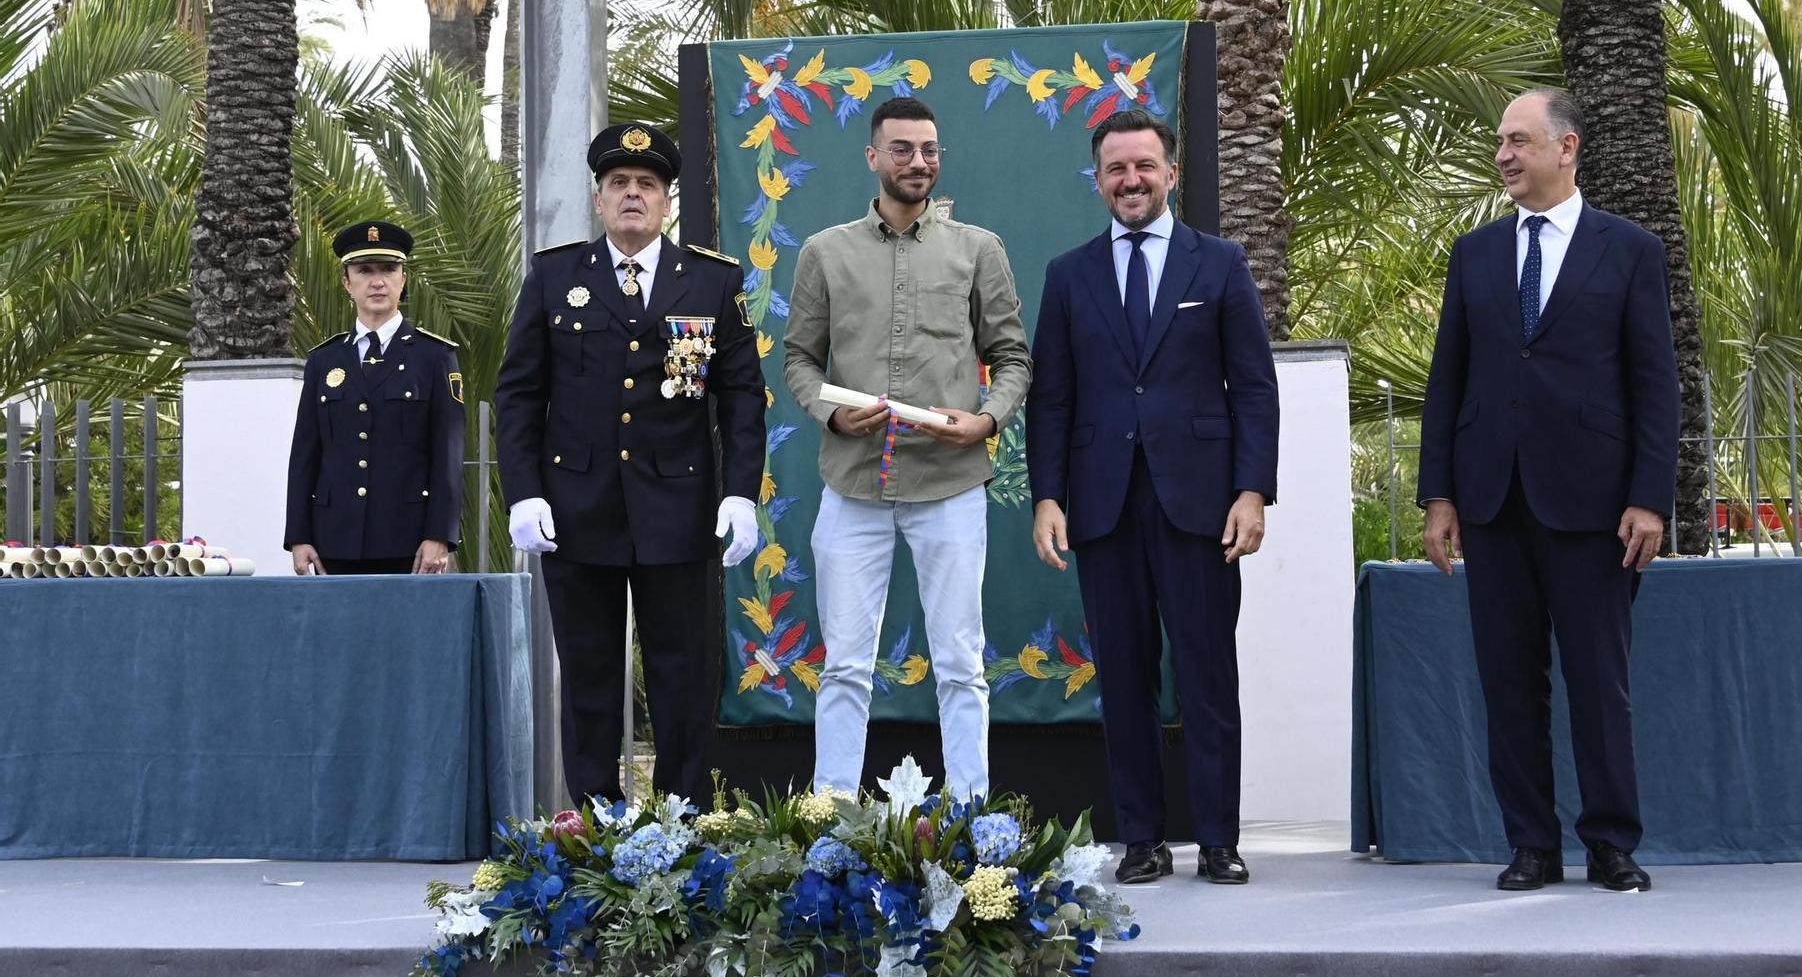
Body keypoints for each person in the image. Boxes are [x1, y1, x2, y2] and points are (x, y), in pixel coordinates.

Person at [1417, 86, 1677, 893]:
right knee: (1507, 680)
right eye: (1500, 141)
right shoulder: (1476, 254)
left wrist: (1650, 497)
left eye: (1518, 140)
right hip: (1493, 503)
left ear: (1566, 148)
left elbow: (1656, 384)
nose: (1503, 154)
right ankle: (1531, 844)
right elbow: (1446, 382)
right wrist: (1439, 497)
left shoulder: (1629, 249)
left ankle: (1610, 844)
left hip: (1596, 508)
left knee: (1600, 682)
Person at [1025, 109, 1278, 886]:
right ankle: (1140, 838)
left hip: (1201, 508)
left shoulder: (1221, 262)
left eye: (1143, 165)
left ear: (1170, 170)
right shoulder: (1069, 276)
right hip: (1102, 508)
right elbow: (1053, 401)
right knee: (1125, 678)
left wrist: (1253, 490)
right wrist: (1048, 497)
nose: (1130, 180)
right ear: (1097, 179)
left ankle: (1217, 838)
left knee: (1207, 674)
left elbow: (1254, 389)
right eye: (1115, 169)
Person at [494, 122, 764, 805]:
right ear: (598, 199)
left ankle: (682, 820)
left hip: (680, 510)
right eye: (620, 184)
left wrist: (740, 494)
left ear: (668, 201)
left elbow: (740, 398)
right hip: (577, 511)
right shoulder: (557, 276)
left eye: (647, 185)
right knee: (588, 676)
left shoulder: (710, 279)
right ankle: (592, 823)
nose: (633, 195)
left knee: (683, 679)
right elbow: (520, 393)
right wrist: (523, 493)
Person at [783, 95, 1031, 802]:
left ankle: (973, 815)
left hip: (950, 484)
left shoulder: (979, 250)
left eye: (929, 149)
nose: (918, 161)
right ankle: (831, 816)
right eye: (902, 149)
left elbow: (1013, 357)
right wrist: (831, 416)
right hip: (852, 485)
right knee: (844, 666)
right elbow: (799, 358)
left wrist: (984, 421)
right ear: (872, 157)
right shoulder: (824, 252)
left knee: (960, 661)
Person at [285, 220, 464, 575]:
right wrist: (298, 536)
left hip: (409, 541)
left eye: (388, 269)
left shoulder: (434, 357)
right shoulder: (324, 361)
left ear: (403, 279)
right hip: (333, 539)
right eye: (364, 270)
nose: (377, 281)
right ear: (346, 282)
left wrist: (439, 535)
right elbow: (306, 453)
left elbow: (448, 453)